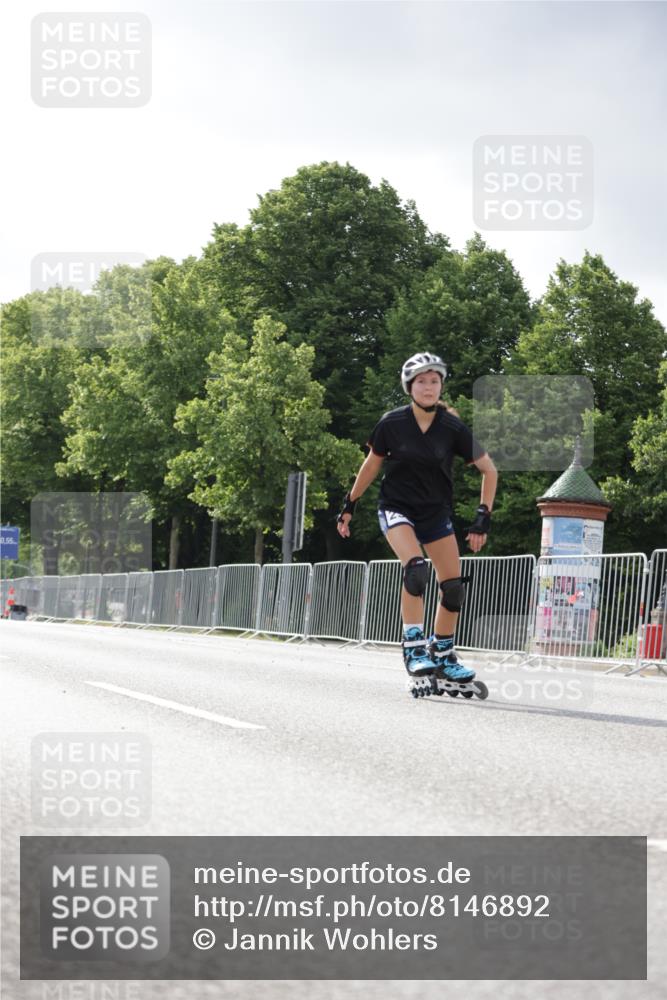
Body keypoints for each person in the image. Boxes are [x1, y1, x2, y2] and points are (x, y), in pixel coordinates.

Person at [337, 352, 497, 683]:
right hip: (397, 507)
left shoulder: (452, 427)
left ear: (441, 386)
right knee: (416, 570)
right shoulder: (391, 423)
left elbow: (489, 470)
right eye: (421, 381)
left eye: (434, 381)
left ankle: (444, 654)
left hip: (435, 513)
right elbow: (371, 465)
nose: (428, 387)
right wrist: (350, 504)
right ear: (410, 386)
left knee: (453, 588)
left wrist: (482, 517)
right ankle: (413, 646)